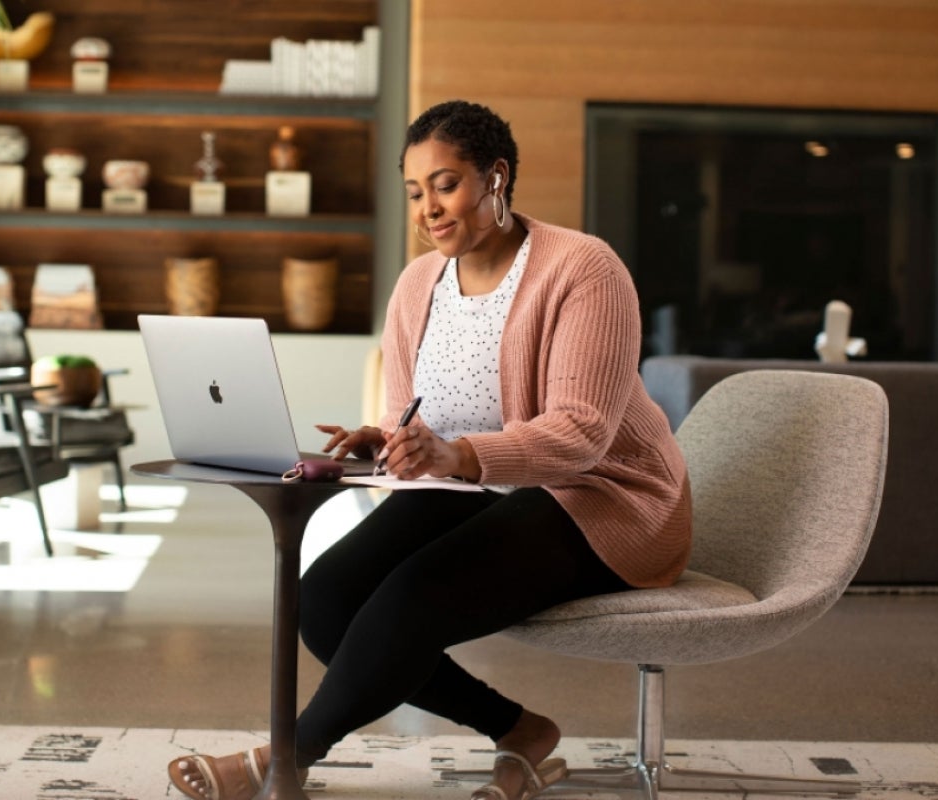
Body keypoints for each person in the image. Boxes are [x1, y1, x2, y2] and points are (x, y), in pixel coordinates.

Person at [168, 99, 692, 800]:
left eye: (445, 184)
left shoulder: (584, 270)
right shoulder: (419, 285)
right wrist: (389, 441)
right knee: (325, 597)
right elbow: (419, 417)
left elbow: (581, 434)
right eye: (415, 192)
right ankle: (519, 729)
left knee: (413, 594)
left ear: (496, 178)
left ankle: (285, 759)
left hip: (604, 497)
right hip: (475, 490)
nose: (428, 208)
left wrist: (455, 457)